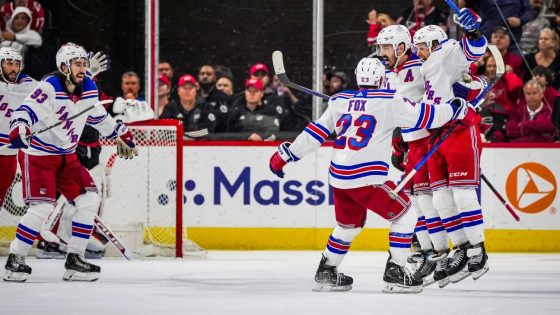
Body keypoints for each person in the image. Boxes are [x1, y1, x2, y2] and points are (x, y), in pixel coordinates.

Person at [269, 57, 474, 293]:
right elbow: (425, 117)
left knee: (348, 226)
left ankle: (327, 270)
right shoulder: (390, 101)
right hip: (366, 179)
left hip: (338, 178)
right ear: (381, 78)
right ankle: (395, 272)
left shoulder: (339, 101)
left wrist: (286, 155)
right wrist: (455, 108)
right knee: (406, 215)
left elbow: (315, 133)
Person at [3, 42, 138, 282]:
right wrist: (19, 127)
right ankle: (16, 259)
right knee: (42, 207)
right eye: (78, 64)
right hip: (40, 156)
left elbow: (97, 116)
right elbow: (26, 110)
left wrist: (120, 133)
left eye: (84, 64)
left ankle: (75, 259)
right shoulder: (49, 87)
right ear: (64, 66)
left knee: (90, 199)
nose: (83, 68)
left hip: (67, 157)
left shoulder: (88, 86)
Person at [413, 8, 489, 285]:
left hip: (458, 130)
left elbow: (474, 50)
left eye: (421, 46)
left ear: (434, 43)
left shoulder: (446, 53)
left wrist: (473, 31)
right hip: (436, 134)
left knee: (463, 194)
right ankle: (462, 248)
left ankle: (479, 252)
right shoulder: (428, 64)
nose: (418, 51)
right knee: (441, 199)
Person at [377, 24, 438, 284]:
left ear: (401, 47)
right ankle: (426, 249)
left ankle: (435, 250)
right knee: (414, 199)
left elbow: (413, 105)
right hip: (411, 143)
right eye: (380, 47)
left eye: (387, 47)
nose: (382, 52)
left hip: (425, 141)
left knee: (424, 200)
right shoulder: (397, 69)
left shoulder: (417, 68)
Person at [0, 47, 36, 211]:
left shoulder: (30, 87)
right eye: (9, 63)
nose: (14, 68)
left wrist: (87, 77)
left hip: (9, 153)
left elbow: (57, 93)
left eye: (17, 64)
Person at [198, 64, 229, 132]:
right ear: (198, 76)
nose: (205, 76)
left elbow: (224, 119)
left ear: (215, 77)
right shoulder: (194, 95)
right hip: (195, 134)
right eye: (202, 74)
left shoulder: (222, 97)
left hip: (215, 136)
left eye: (209, 74)